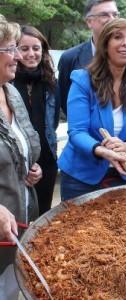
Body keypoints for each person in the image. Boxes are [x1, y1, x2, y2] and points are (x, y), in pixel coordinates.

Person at [58, 18, 126, 201]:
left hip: (122, 176)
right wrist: (103, 150)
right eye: (118, 37)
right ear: (105, 45)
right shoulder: (82, 80)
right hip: (80, 179)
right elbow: (77, 132)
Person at [0, 19, 42, 300]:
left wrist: (29, 166)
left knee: (11, 284)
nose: (18, 56)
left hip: (21, 218)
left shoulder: (10, 91)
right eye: (10, 48)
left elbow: (23, 144)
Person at [58, 0, 126, 116]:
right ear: (89, 22)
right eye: (104, 15)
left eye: (115, 15)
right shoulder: (69, 58)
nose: (112, 19)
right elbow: (65, 103)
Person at [14, 25, 59, 215]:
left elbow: (53, 122)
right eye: (24, 49)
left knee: (43, 214)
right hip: (17, 163)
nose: (31, 54)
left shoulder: (51, 82)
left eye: (36, 48)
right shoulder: (7, 82)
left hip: (46, 161)